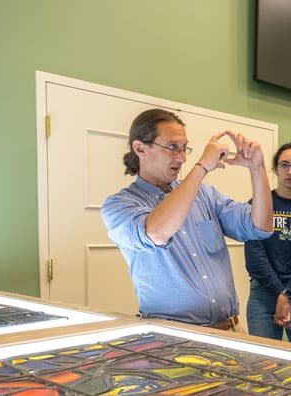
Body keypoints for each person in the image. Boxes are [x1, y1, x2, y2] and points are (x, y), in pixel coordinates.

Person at [101, 108, 273, 330]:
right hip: (175, 339)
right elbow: (156, 233)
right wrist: (201, 166)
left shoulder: (204, 195)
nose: (181, 158)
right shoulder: (119, 206)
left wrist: (257, 168)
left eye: (184, 149)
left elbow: (260, 226)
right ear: (140, 148)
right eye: (172, 148)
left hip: (230, 330)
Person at [244, 142, 291, 345]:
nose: (290, 171)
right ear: (276, 168)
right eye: (284, 165)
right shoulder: (258, 204)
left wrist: (288, 292)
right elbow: (254, 256)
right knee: (262, 362)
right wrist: (279, 292)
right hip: (264, 294)